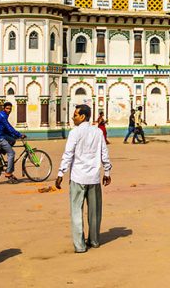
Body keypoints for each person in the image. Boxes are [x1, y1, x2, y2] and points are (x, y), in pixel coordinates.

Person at [56, 104, 112, 254]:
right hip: (93, 178)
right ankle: (94, 240)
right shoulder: (98, 132)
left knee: (76, 211)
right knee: (95, 211)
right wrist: (107, 172)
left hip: (78, 177)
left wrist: (61, 173)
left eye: (75, 115)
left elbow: (68, 154)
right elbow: (104, 153)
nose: (73, 117)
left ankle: (80, 245)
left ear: (82, 116)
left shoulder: (74, 133)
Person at [0, 101, 25, 183]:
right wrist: (19, 134)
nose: (9, 110)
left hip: (0, 134)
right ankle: (8, 173)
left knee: (12, 140)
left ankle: (0, 151)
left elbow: (5, 129)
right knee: (11, 153)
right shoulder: (3, 116)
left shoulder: (3, 114)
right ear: (4, 108)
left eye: (10, 109)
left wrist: (14, 135)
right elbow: (8, 127)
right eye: (7, 108)